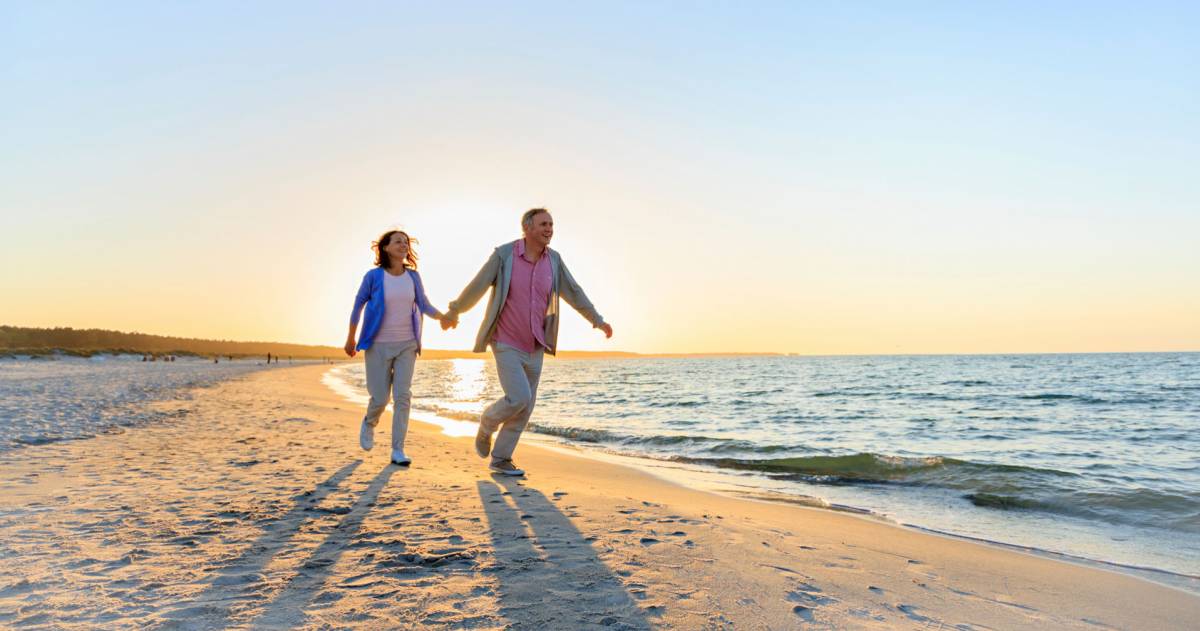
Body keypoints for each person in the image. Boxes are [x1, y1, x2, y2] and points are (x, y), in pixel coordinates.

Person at [442, 208, 612, 476]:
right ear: (527, 227)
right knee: (519, 396)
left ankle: (501, 460)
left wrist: (597, 319)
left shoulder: (553, 261)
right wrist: (455, 310)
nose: (549, 229)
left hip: (536, 343)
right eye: (544, 224)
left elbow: (574, 292)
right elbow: (479, 283)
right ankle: (487, 422)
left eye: (552, 224)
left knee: (525, 407)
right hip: (506, 340)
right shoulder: (505, 255)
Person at [345, 229, 452, 466]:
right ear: (385, 248)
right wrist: (351, 338)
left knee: (403, 397)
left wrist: (442, 317)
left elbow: (423, 304)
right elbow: (357, 306)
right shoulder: (373, 276)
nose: (403, 245)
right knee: (381, 398)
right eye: (398, 242)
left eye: (406, 242)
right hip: (377, 344)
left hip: (407, 343)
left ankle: (398, 450)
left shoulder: (413, 277)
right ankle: (370, 422)